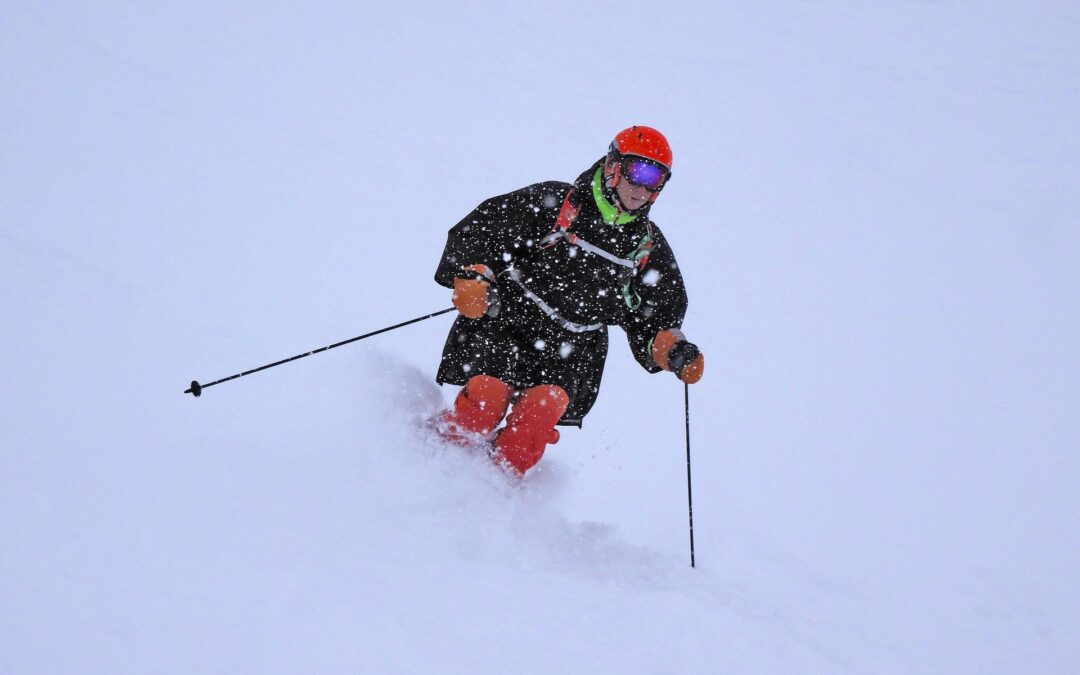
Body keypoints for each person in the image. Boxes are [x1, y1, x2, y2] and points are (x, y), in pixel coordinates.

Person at [433, 126, 704, 475]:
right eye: (638, 172)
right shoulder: (556, 204)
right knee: (483, 404)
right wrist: (473, 275)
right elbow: (483, 230)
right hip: (509, 321)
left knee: (531, 428)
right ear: (612, 166)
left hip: (572, 349)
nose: (643, 189)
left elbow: (654, 314)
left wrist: (670, 347)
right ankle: (432, 469)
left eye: (656, 180)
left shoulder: (645, 246)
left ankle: (488, 504)